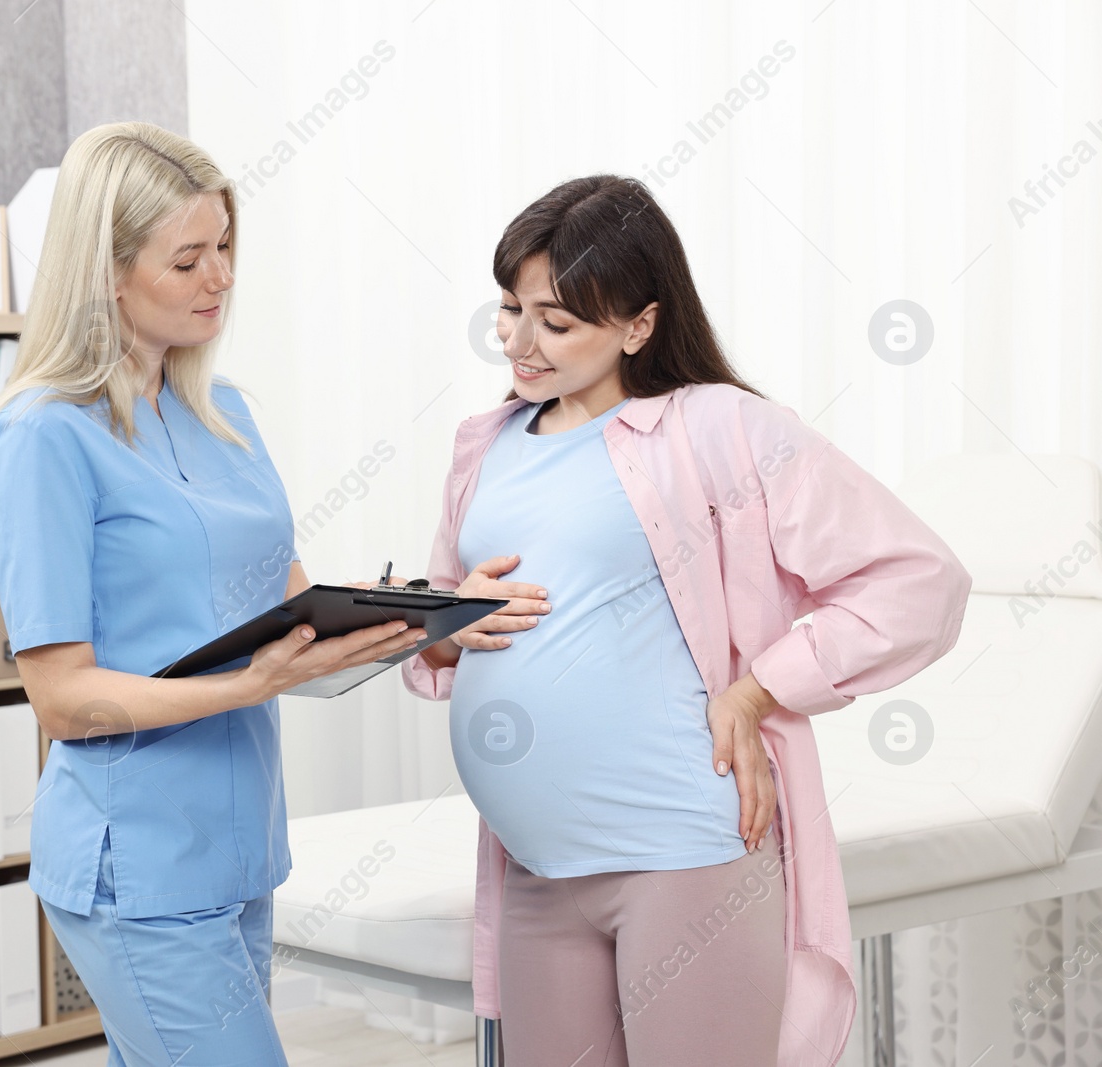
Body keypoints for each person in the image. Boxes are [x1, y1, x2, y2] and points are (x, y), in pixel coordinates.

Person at [401, 175, 972, 1066]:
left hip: (681, 852)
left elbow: (919, 579)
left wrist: (756, 691)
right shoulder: (488, 443)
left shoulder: (719, 429)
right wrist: (446, 622)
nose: (518, 342)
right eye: (508, 309)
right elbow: (438, 619)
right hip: (537, 870)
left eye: (555, 321)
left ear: (639, 323)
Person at [0, 121, 425, 1067]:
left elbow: (292, 610)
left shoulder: (225, 414)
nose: (219, 277)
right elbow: (63, 697)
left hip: (239, 839)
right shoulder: (43, 436)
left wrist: (428, 617)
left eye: (224, 248)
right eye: (187, 258)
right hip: (134, 859)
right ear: (105, 271)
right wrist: (248, 685)